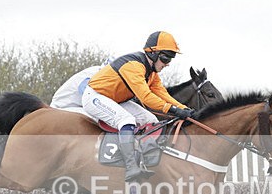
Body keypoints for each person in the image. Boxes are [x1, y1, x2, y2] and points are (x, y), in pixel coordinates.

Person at [82, 31, 195, 182]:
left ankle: (143, 157)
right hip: (95, 96)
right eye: (165, 58)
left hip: (116, 100)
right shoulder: (134, 66)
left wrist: (183, 108)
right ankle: (130, 167)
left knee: (151, 119)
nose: (167, 63)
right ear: (153, 53)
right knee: (127, 120)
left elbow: (162, 93)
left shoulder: (152, 73)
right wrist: (173, 110)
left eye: (170, 59)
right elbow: (146, 97)